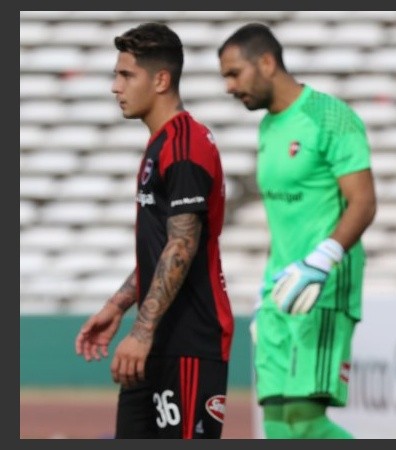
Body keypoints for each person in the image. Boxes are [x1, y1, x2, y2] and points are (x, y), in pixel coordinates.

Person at [74, 22, 234, 439]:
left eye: (126, 75)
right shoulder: (160, 144)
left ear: (161, 79)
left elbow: (184, 242)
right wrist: (117, 305)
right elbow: (165, 246)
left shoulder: (186, 143)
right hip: (154, 339)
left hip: (188, 342)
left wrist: (141, 333)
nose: (115, 86)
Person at [217, 23, 377, 439]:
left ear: (267, 63)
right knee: (277, 424)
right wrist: (266, 288)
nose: (229, 87)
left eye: (234, 73)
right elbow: (285, 216)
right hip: (280, 287)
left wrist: (322, 260)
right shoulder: (268, 127)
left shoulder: (330, 117)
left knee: (304, 424)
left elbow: (363, 202)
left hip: (321, 287)